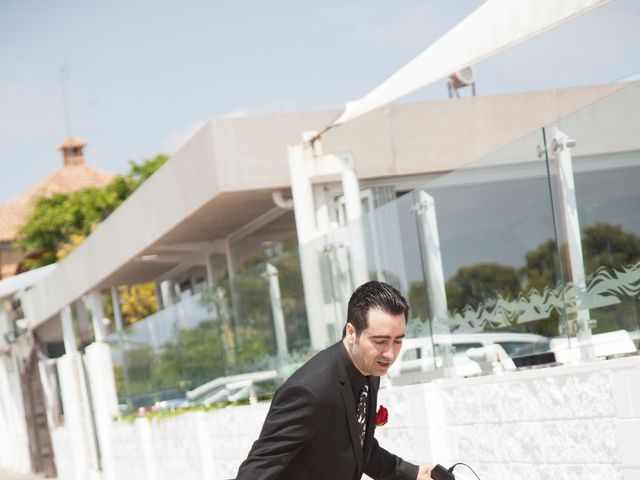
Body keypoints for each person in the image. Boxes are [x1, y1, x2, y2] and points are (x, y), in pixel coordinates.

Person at [235, 281, 433, 480]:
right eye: (380, 341)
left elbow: (358, 445)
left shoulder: (370, 370)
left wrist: (412, 474)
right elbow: (256, 471)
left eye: (398, 341)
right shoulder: (308, 391)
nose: (390, 354)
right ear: (351, 333)